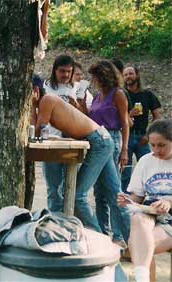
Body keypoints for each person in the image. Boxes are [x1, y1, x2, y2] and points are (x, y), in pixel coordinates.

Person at [33, 91, 130, 240]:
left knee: (78, 195)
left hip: (99, 142)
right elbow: (36, 130)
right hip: (102, 139)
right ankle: (128, 239)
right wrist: (34, 107)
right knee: (114, 194)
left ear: (35, 91)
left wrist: (34, 107)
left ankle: (100, 239)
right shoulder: (46, 102)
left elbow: (39, 132)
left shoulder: (47, 99)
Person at [117, 119, 172, 282]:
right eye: (152, 145)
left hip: (169, 218)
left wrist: (169, 201)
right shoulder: (146, 160)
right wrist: (128, 201)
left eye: (161, 145)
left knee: (142, 245)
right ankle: (143, 278)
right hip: (150, 212)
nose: (156, 150)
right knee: (138, 219)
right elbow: (137, 197)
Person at [86, 60, 130, 247]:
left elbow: (125, 122)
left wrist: (125, 149)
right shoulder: (97, 96)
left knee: (113, 190)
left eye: (95, 76)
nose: (93, 80)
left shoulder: (117, 94)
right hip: (97, 140)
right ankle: (103, 233)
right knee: (99, 192)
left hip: (112, 138)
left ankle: (121, 236)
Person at [41, 54, 79, 212]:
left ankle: (68, 216)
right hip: (51, 139)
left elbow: (85, 114)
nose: (65, 75)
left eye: (68, 72)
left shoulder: (75, 87)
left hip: (70, 140)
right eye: (62, 71)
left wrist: (76, 105)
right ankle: (54, 216)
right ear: (54, 70)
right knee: (53, 186)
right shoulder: (46, 87)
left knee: (70, 185)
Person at [121, 66, 162, 192]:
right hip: (125, 137)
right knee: (125, 172)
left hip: (142, 137)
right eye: (126, 74)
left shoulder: (147, 95)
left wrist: (149, 135)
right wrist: (129, 115)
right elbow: (116, 116)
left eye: (131, 73)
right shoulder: (121, 94)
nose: (128, 76)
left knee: (148, 169)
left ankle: (148, 197)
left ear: (137, 75)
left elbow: (157, 116)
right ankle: (126, 201)